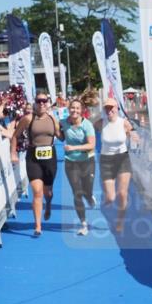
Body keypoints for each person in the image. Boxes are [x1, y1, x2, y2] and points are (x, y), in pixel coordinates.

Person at [11, 91, 61, 237]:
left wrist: (73, 129)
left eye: (44, 101)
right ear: (35, 102)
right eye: (39, 101)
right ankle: (38, 226)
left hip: (50, 158)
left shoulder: (53, 119)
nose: (41, 103)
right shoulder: (28, 119)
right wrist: (13, 153)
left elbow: (61, 136)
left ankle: (49, 204)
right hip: (33, 158)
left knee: (48, 193)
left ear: (48, 102)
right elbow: (15, 136)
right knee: (37, 192)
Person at [98, 97, 139, 233]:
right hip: (106, 160)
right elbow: (86, 130)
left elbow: (133, 134)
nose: (110, 110)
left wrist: (134, 136)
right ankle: (106, 203)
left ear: (117, 109)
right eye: (107, 108)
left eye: (112, 107)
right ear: (104, 110)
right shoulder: (100, 123)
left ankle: (120, 222)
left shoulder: (124, 122)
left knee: (122, 194)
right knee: (110, 197)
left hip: (122, 158)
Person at [62, 98, 96, 236]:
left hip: (87, 161)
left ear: (81, 110)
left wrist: (74, 147)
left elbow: (91, 145)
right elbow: (58, 134)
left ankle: (89, 195)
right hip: (71, 162)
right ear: (68, 109)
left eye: (77, 108)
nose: (74, 110)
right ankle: (83, 224)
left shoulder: (87, 125)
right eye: (72, 108)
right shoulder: (64, 123)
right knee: (77, 192)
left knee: (87, 190)